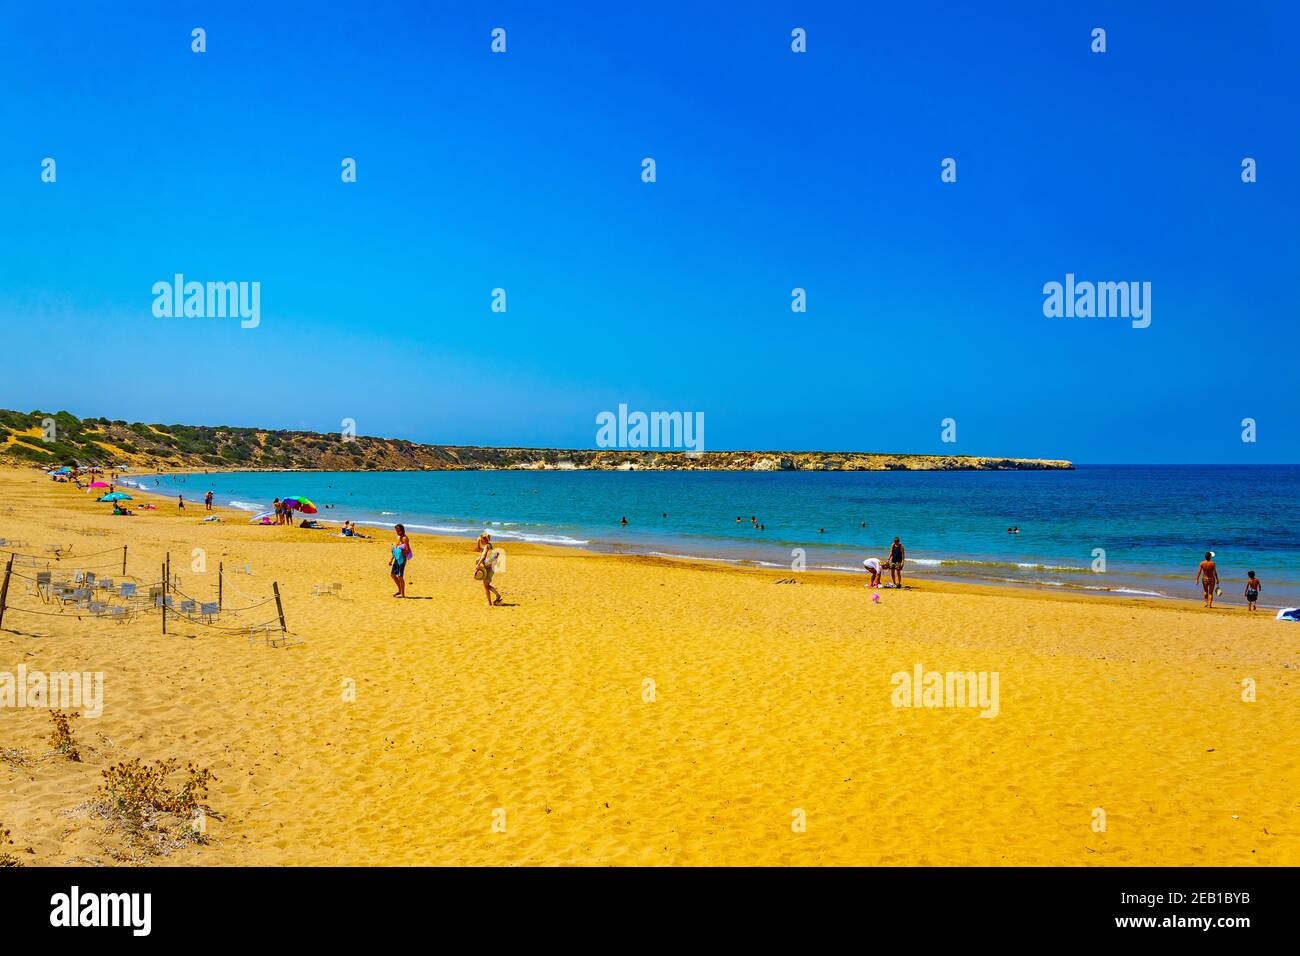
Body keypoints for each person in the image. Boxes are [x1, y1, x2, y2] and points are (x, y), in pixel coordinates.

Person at [475, 533, 503, 606]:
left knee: (486, 585)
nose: (480, 541)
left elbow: (483, 556)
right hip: (491, 567)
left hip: (489, 568)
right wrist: (477, 542)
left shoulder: (487, 546)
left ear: (484, 540)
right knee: (486, 585)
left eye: (481, 540)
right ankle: (497, 596)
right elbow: (479, 550)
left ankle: (490, 602)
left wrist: (478, 565)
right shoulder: (489, 545)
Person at [389, 524, 412, 597]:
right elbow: (396, 549)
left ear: (401, 530)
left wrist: (400, 552)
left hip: (402, 559)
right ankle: (399, 589)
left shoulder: (405, 538)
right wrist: (391, 559)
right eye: (396, 530)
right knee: (392, 575)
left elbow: (407, 550)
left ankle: (402, 594)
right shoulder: (398, 537)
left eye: (398, 530)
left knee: (400, 576)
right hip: (397, 558)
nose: (396, 532)